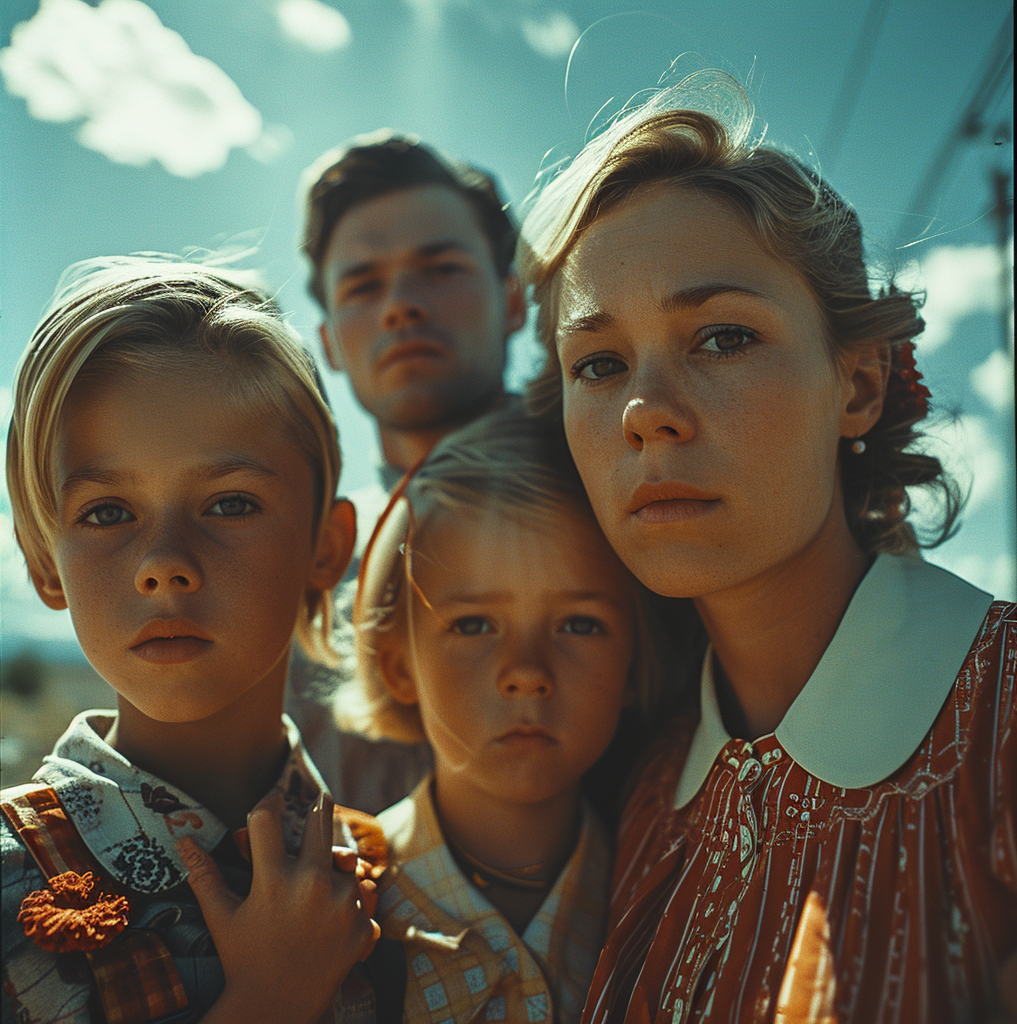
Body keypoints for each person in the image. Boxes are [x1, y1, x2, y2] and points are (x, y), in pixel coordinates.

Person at [519, 72, 1017, 1024]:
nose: (645, 412)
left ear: (861, 384)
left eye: (722, 337)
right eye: (599, 362)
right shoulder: (643, 787)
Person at [1, 257, 380, 1024]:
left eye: (230, 503)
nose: (164, 563)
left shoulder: (384, 874)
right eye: (108, 512)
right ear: (46, 565)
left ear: (326, 546)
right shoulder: (6, 877)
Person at [338, 407, 672, 1024]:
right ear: (398, 666)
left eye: (579, 624)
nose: (528, 670)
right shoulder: (332, 913)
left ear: (634, 662)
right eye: (473, 625)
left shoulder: (673, 906)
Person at [290, 132, 528, 812]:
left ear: (513, 300)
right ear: (331, 342)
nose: (400, 304)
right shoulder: (299, 574)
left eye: (442, 267)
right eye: (363, 285)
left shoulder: (627, 515)